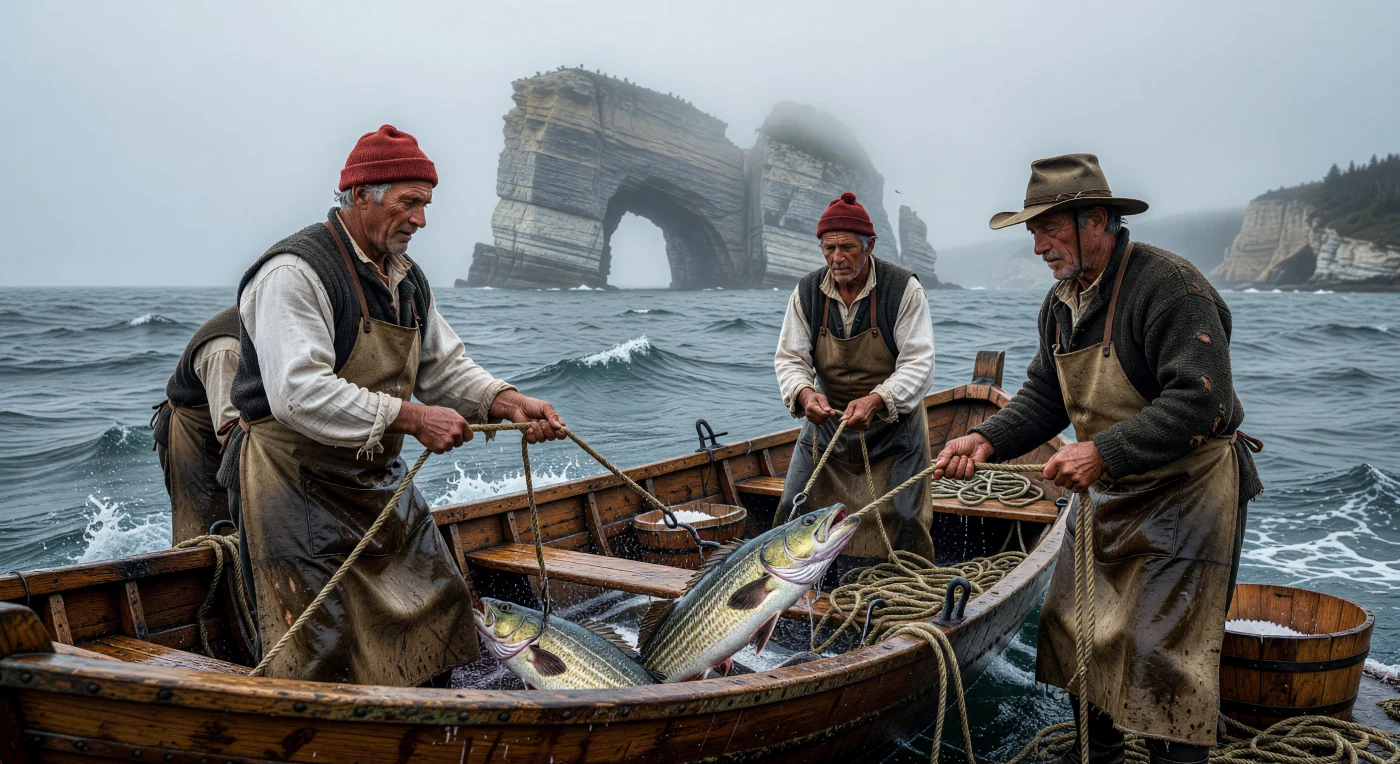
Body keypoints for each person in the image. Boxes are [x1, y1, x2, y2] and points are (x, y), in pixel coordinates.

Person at [935, 154, 1262, 764]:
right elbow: (1043, 395)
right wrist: (987, 441)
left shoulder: (1170, 286)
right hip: (1111, 490)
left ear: (1098, 221)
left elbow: (1205, 401)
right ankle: (1098, 754)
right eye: (1032, 231)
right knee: (1077, 628)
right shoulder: (1061, 302)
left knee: (1166, 654)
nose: (1037, 246)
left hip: (1186, 494)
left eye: (1048, 228)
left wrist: (1103, 451)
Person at [224, 125, 565, 686]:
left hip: (374, 477)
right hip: (291, 483)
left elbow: (443, 368)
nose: (421, 220)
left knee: (442, 604)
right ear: (361, 195)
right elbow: (298, 392)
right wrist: (411, 417)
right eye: (409, 202)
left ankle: (432, 726)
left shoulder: (408, 281)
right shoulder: (294, 272)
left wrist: (506, 402)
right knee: (319, 646)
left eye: (426, 205)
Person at [774, 192, 936, 561]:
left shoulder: (903, 289)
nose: (837, 258)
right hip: (827, 427)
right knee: (791, 508)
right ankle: (795, 597)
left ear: (870, 245)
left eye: (847, 247)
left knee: (907, 519)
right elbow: (790, 358)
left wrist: (877, 400)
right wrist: (803, 394)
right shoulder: (806, 293)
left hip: (895, 429)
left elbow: (918, 363)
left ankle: (909, 595)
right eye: (828, 248)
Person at [152, 307, 240, 544]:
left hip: (228, 430)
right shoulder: (227, 347)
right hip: (192, 437)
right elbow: (230, 431)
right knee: (206, 539)